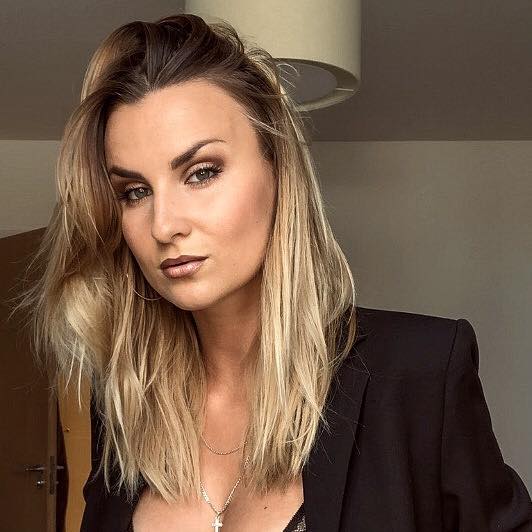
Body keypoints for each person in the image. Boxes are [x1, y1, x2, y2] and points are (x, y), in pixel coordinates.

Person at [12, 13, 532, 532]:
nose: (164, 225)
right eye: (135, 192)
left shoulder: (420, 374)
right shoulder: (127, 402)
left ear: (278, 170)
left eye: (201, 173)